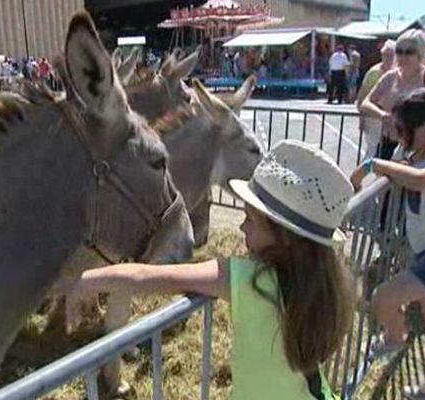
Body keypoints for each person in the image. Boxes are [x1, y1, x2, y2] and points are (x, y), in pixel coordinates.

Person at [66, 140, 356, 400]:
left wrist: (81, 282)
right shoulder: (330, 284)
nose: (241, 226)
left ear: (283, 236)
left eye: (250, 220)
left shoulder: (249, 280)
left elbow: (146, 277)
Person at [350, 89, 425, 400]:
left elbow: (421, 180)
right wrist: (368, 169)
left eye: (403, 131)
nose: (399, 139)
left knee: (384, 298)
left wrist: (374, 166)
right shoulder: (415, 154)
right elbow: (401, 175)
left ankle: (395, 335)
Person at [361, 29, 425, 161]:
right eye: (399, 51)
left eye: (409, 52)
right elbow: (365, 103)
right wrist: (383, 116)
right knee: (382, 179)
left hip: (420, 144)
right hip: (390, 141)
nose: (403, 56)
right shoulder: (390, 77)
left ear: (421, 53)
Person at [357, 40, 397, 160]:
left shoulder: (399, 72)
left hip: (392, 119)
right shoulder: (374, 72)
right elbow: (362, 96)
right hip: (373, 117)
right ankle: (362, 175)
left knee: (388, 151)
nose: (388, 58)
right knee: (373, 150)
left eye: (391, 55)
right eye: (385, 54)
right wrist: (361, 118)